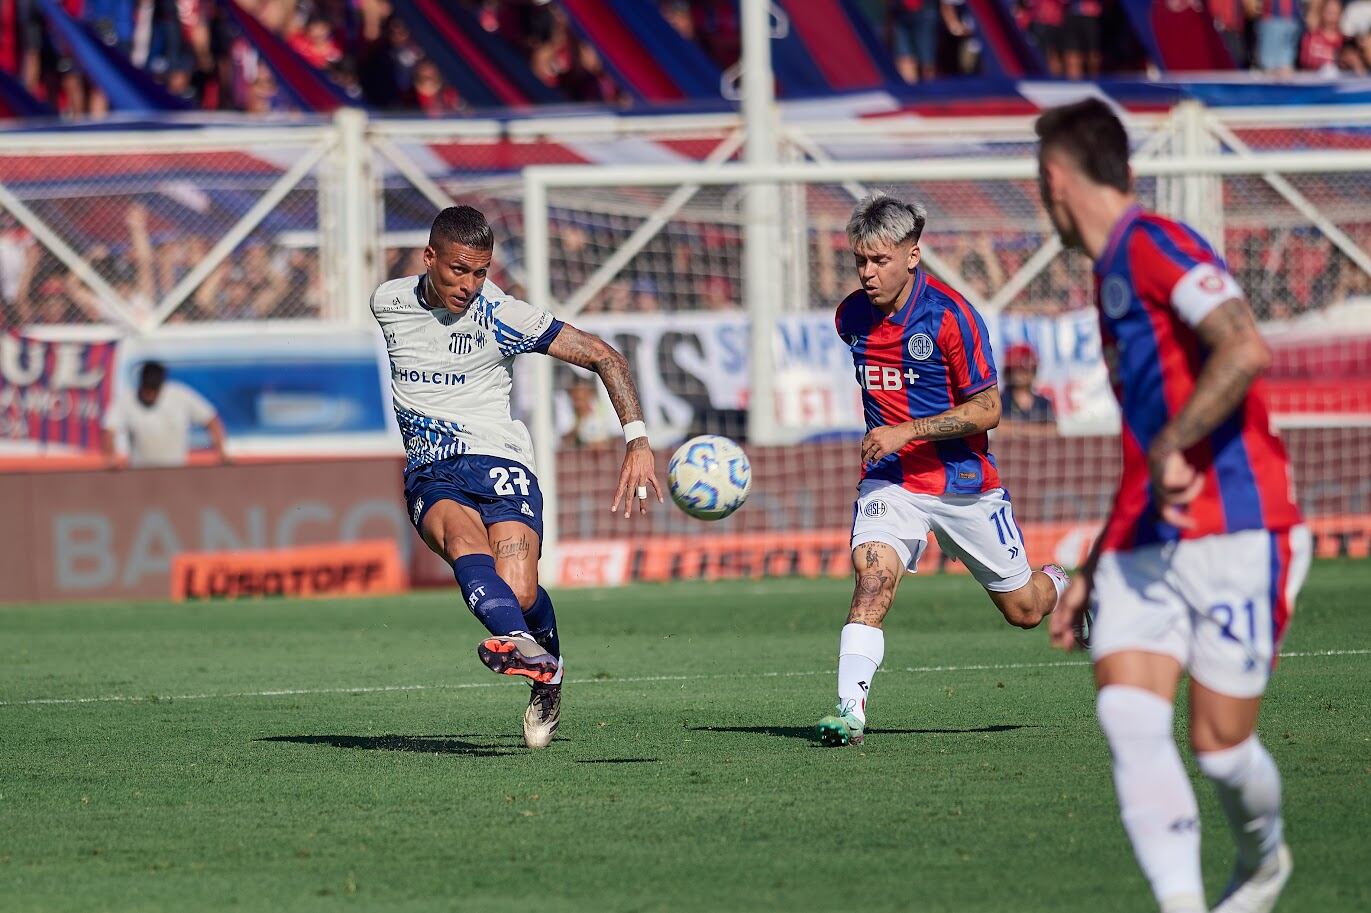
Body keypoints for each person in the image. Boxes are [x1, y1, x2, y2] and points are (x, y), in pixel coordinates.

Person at [1036, 99, 1310, 913]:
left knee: (1220, 751)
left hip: (1238, 525)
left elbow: (1243, 344)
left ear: (1054, 179)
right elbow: (1144, 439)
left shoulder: (1154, 245)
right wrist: (1091, 562)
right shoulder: (1106, 273)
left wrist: (1171, 445)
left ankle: (1263, 862)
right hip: (1145, 541)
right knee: (1125, 715)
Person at [371, 205, 661, 750]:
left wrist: (637, 439)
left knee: (521, 590)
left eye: (480, 272)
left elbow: (605, 357)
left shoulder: (501, 316)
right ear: (429, 258)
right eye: (458, 269)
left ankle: (546, 672)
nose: (469, 284)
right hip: (433, 469)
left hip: (501, 461)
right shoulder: (387, 303)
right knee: (461, 542)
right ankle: (521, 646)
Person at [815, 193, 1069, 748]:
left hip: (963, 485)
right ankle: (849, 710)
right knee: (873, 579)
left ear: (913, 255)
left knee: (1025, 611)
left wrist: (905, 430)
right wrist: (893, 443)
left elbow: (989, 409)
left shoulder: (952, 317)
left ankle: (1070, 586)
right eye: (860, 260)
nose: (867, 272)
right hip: (892, 481)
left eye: (880, 260)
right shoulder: (850, 317)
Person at [101, 361, 228, 468]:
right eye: (147, 390)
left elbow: (211, 419)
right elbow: (110, 429)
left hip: (175, 472)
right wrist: (110, 458)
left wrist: (221, 453)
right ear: (141, 384)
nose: (150, 395)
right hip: (140, 473)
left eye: (154, 390)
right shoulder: (127, 400)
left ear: (161, 386)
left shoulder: (180, 396)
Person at [1000, 342, 1056, 425]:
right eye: (1016, 369)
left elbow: (1053, 431)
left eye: (1025, 369)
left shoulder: (1043, 403)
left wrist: (1016, 429)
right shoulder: (1001, 401)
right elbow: (1000, 429)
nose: (1021, 373)